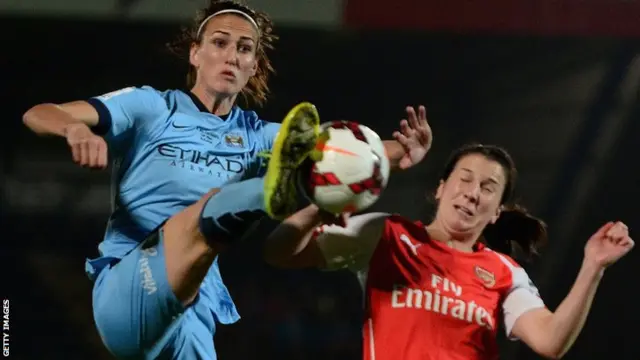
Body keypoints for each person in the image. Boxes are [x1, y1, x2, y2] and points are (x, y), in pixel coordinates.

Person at [22, 1, 432, 358]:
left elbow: (347, 153)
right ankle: (283, 190)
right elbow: (40, 113)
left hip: (194, 309)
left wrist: (398, 152)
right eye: (219, 43)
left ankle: (287, 187)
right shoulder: (152, 107)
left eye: (244, 48)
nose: (232, 56)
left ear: (253, 65)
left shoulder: (258, 136)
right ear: (195, 54)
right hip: (127, 288)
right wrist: (76, 130)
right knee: (203, 213)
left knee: (277, 168)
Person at [264, 142, 635, 360]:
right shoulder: (386, 234)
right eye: (466, 179)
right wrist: (319, 209)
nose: (474, 192)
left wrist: (594, 265)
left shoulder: (504, 272)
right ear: (441, 188)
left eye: (489, 188)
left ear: (496, 213)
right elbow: (280, 252)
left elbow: (551, 342)